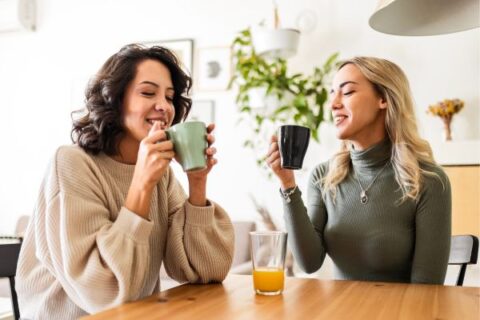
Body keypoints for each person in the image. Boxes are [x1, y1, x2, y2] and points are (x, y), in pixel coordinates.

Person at [16, 44, 234, 319]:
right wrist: (141, 184)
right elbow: (103, 293)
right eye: (147, 92)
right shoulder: (71, 164)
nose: (164, 106)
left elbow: (205, 271)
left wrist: (197, 181)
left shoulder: (162, 175)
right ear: (114, 99)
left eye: (169, 97)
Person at [266, 56, 451, 284]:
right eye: (332, 93)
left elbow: (427, 291)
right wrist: (287, 184)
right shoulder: (323, 177)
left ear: (383, 99)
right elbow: (308, 262)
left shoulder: (429, 181)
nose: (333, 103)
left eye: (347, 92)